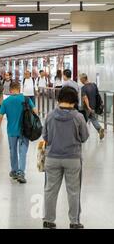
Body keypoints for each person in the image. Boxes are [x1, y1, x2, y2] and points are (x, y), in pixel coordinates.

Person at [42, 87, 89, 229]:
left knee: (50, 190)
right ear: (75, 101)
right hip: (72, 159)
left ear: (59, 99)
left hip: (52, 158)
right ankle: (74, 222)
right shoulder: (78, 117)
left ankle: (49, 220)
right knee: (73, 191)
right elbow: (84, 137)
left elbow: (45, 136)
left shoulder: (50, 115)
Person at [0, 81, 38, 184]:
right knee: (22, 152)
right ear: (19, 88)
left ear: (10, 90)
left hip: (11, 131)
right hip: (24, 130)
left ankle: (14, 171)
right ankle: (21, 172)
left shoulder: (6, 102)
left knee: (13, 151)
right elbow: (35, 111)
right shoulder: (26, 99)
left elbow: (0, 118)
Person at [80, 73, 105, 140]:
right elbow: (97, 95)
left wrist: (88, 107)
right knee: (93, 118)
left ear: (83, 79)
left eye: (80, 79)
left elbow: (85, 98)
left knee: (82, 121)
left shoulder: (84, 88)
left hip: (87, 108)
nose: (80, 81)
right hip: (94, 106)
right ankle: (99, 129)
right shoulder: (94, 85)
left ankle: (79, 135)